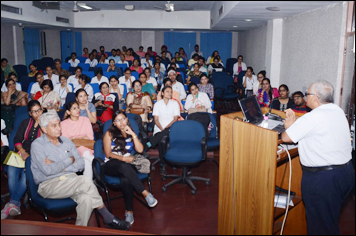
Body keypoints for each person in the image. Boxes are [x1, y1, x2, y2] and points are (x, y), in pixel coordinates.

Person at [30, 112, 131, 230]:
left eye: (59, 124)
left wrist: (59, 166)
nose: (58, 128)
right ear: (44, 129)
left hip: (71, 181)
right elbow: (47, 170)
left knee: (87, 199)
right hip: (49, 185)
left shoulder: (66, 141)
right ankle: (107, 217)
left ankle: (79, 231)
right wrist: (69, 160)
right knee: (86, 182)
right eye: (54, 125)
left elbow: (80, 164)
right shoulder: (37, 145)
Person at [281, 80, 354, 235]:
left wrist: (290, 125)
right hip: (345, 174)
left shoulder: (313, 117)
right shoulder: (337, 110)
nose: (306, 97)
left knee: (320, 227)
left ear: (315, 97)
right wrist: (298, 124)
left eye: (307, 94)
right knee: (329, 221)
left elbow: (286, 137)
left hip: (323, 180)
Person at [103, 110, 158, 225]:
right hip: (111, 164)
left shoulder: (130, 131)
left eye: (123, 119)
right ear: (114, 123)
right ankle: (145, 194)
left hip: (127, 164)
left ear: (127, 120)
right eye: (118, 120)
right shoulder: (109, 133)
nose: (121, 122)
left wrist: (133, 134)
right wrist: (123, 159)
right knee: (124, 166)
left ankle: (129, 212)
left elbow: (140, 150)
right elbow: (108, 153)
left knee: (125, 178)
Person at [1, 100, 43, 220]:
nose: (38, 113)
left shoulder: (46, 123)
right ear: (30, 113)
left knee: (26, 175)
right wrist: (22, 152)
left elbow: (47, 142)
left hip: (35, 157)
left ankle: (12, 203)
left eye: (39, 110)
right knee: (11, 172)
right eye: (34, 111)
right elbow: (17, 139)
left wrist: (41, 125)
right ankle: (15, 203)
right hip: (20, 153)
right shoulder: (25, 123)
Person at [149, 86, 180, 175]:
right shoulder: (157, 104)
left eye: (171, 92)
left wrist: (166, 128)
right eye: (167, 91)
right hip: (159, 128)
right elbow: (156, 120)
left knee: (163, 136)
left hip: (172, 128)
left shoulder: (175, 103)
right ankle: (163, 164)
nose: (169, 93)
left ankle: (149, 143)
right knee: (163, 139)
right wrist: (162, 129)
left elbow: (175, 119)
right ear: (162, 93)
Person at [61, 101, 94, 178]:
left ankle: (87, 183)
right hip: (72, 149)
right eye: (74, 108)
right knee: (86, 157)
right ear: (68, 112)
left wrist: (74, 138)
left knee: (86, 159)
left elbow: (90, 138)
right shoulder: (63, 123)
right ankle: (96, 164)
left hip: (87, 147)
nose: (78, 110)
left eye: (78, 107)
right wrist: (82, 137)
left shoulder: (85, 120)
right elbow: (66, 141)